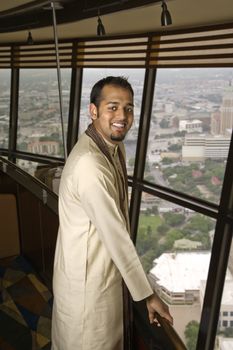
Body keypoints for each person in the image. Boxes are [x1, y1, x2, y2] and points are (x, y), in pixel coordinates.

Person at [51, 76, 173, 350]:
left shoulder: (112, 150)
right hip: (89, 284)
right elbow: (116, 236)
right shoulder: (90, 165)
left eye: (128, 108)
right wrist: (148, 295)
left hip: (98, 272)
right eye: (113, 107)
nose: (123, 116)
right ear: (93, 111)